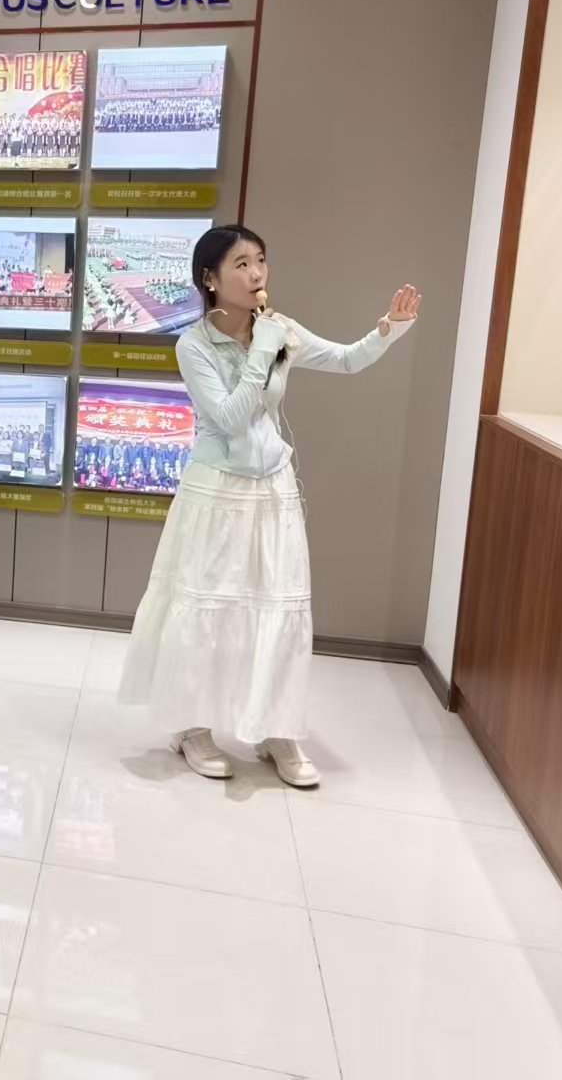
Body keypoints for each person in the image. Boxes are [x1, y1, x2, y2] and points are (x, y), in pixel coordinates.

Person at [119, 225, 421, 789]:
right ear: (210, 279)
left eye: (260, 260)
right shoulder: (194, 346)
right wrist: (262, 348)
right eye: (241, 264)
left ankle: (275, 727)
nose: (256, 273)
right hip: (216, 490)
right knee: (209, 608)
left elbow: (347, 360)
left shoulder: (281, 329)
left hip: (273, 488)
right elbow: (230, 417)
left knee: (276, 610)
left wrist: (389, 328)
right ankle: (192, 725)